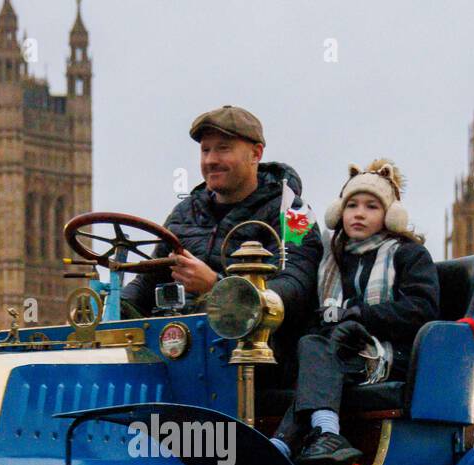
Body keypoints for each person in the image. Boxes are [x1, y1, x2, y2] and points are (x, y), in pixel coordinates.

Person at [271, 159, 440, 465]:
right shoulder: (331, 259)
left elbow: (422, 309)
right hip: (335, 353)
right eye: (352, 205)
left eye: (371, 206)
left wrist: (362, 317)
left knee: (326, 344)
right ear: (339, 212)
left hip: (388, 354)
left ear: (390, 216)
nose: (359, 213)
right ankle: (324, 434)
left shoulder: (409, 255)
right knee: (311, 343)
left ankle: (287, 442)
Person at [120, 105, 323, 357]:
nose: (210, 160)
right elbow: (147, 281)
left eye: (223, 149)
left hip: (256, 357)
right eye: (205, 150)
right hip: (181, 349)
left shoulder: (293, 213)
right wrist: (114, 308)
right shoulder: (184, 212)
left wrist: (216, 288)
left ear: (255, 154)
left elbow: (294, 288)